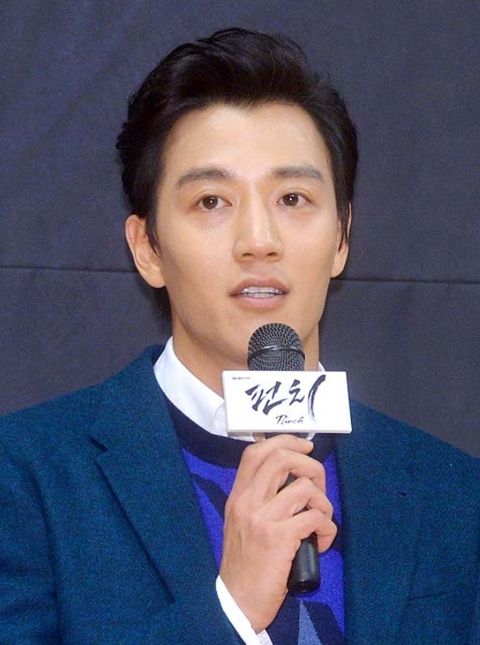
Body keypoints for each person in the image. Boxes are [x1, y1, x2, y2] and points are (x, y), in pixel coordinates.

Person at [0, 27, 479, 645]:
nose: (259, 240)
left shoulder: (454, 495)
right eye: (211, 202)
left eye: (292, 197)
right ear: (148, 248)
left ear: (341, 238)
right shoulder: (26, 480)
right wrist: (230, 610)